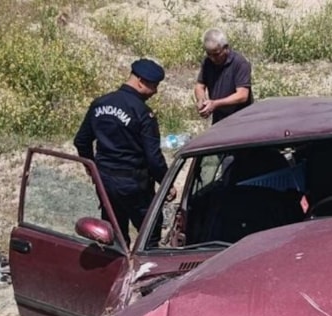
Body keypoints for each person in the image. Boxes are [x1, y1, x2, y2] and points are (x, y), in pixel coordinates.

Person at [74, 58, 172, 248]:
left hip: (105, 181)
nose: (155, 92)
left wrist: (91, 167)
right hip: (134, 184)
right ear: (140, 81)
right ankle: (145, 271)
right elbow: (153, 157)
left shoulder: (99, 104)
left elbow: (81, 141)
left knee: (114, 234)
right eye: (153, 86)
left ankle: (116, 267)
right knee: (149, 233)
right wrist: (166, 182)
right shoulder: (143, 113)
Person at [194, 28, 253, 124]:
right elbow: (200, 85)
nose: (213, 58)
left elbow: (242, 95)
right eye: (209, 54)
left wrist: (216, 103)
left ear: (226, 48)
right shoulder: (207, 62)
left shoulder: (240, 63)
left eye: (216, 54)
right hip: (219, 119)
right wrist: (202, 100)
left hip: (241, 119)